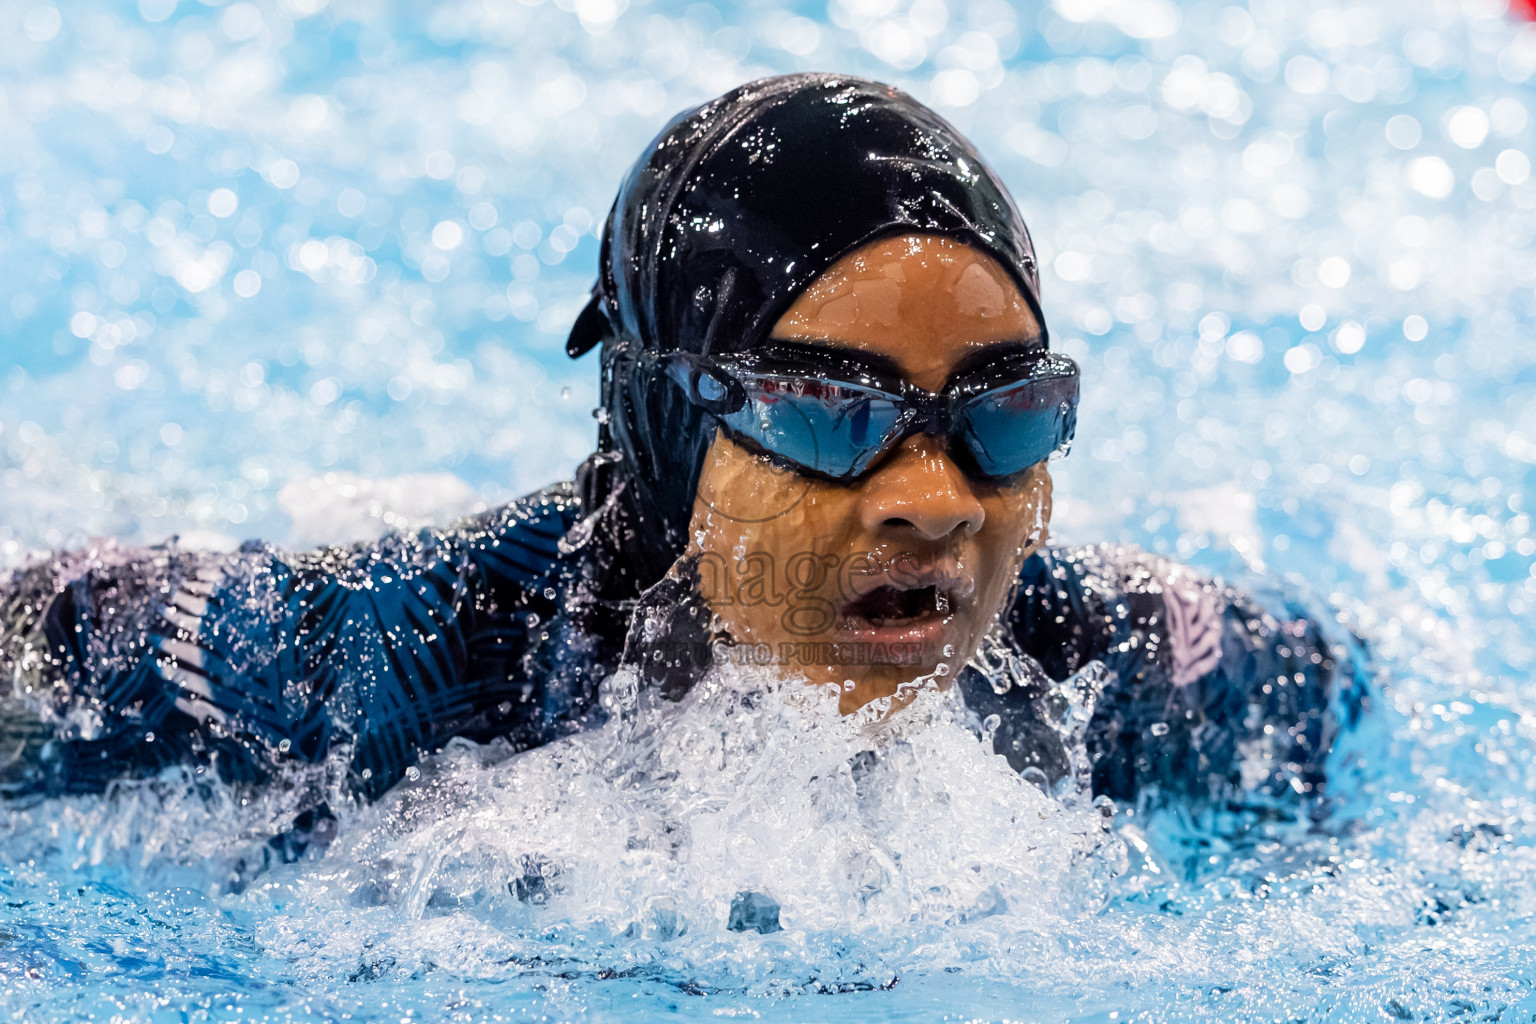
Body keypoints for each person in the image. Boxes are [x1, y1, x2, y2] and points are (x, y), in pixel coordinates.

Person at [0, 74, 1364, 819]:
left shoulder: (1096, 662)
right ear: (669, 421)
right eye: (836, 414)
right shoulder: (406, 654)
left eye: (1002, 414)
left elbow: (1333, 686)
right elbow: (43, 629)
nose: (940, 502)